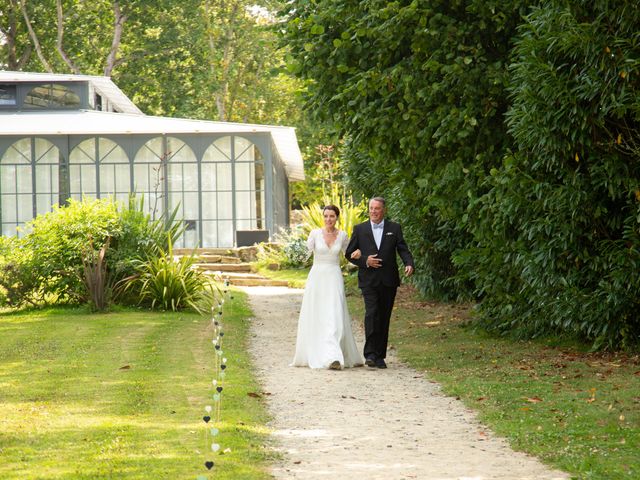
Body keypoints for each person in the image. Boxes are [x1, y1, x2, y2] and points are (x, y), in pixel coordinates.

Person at [291, 205, 364, 370]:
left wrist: (358, 254)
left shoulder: (343, 235)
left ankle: (334, 356)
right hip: (317, 277)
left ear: (337, 217)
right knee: (318, 314)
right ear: (323, 217)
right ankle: (321, 353)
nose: (328, 219)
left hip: (334, 277)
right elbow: (305, 254)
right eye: (326, 216)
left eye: (332, 216)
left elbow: (349, 254)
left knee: (335, 313)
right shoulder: (315, 234)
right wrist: (295, 252)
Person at [345, 197, 414, 369]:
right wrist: (365, 260)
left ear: (384, 210)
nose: (373, 211)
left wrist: (409, 263)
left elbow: (402, 248)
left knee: (384, 317)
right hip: (368, 280)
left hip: (388, 280)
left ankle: (380, 356)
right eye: (371, 208)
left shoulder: (394, 228)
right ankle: (370, 354)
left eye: (377, 208)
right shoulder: (360, 229)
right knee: (372, 313)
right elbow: (349, 253)